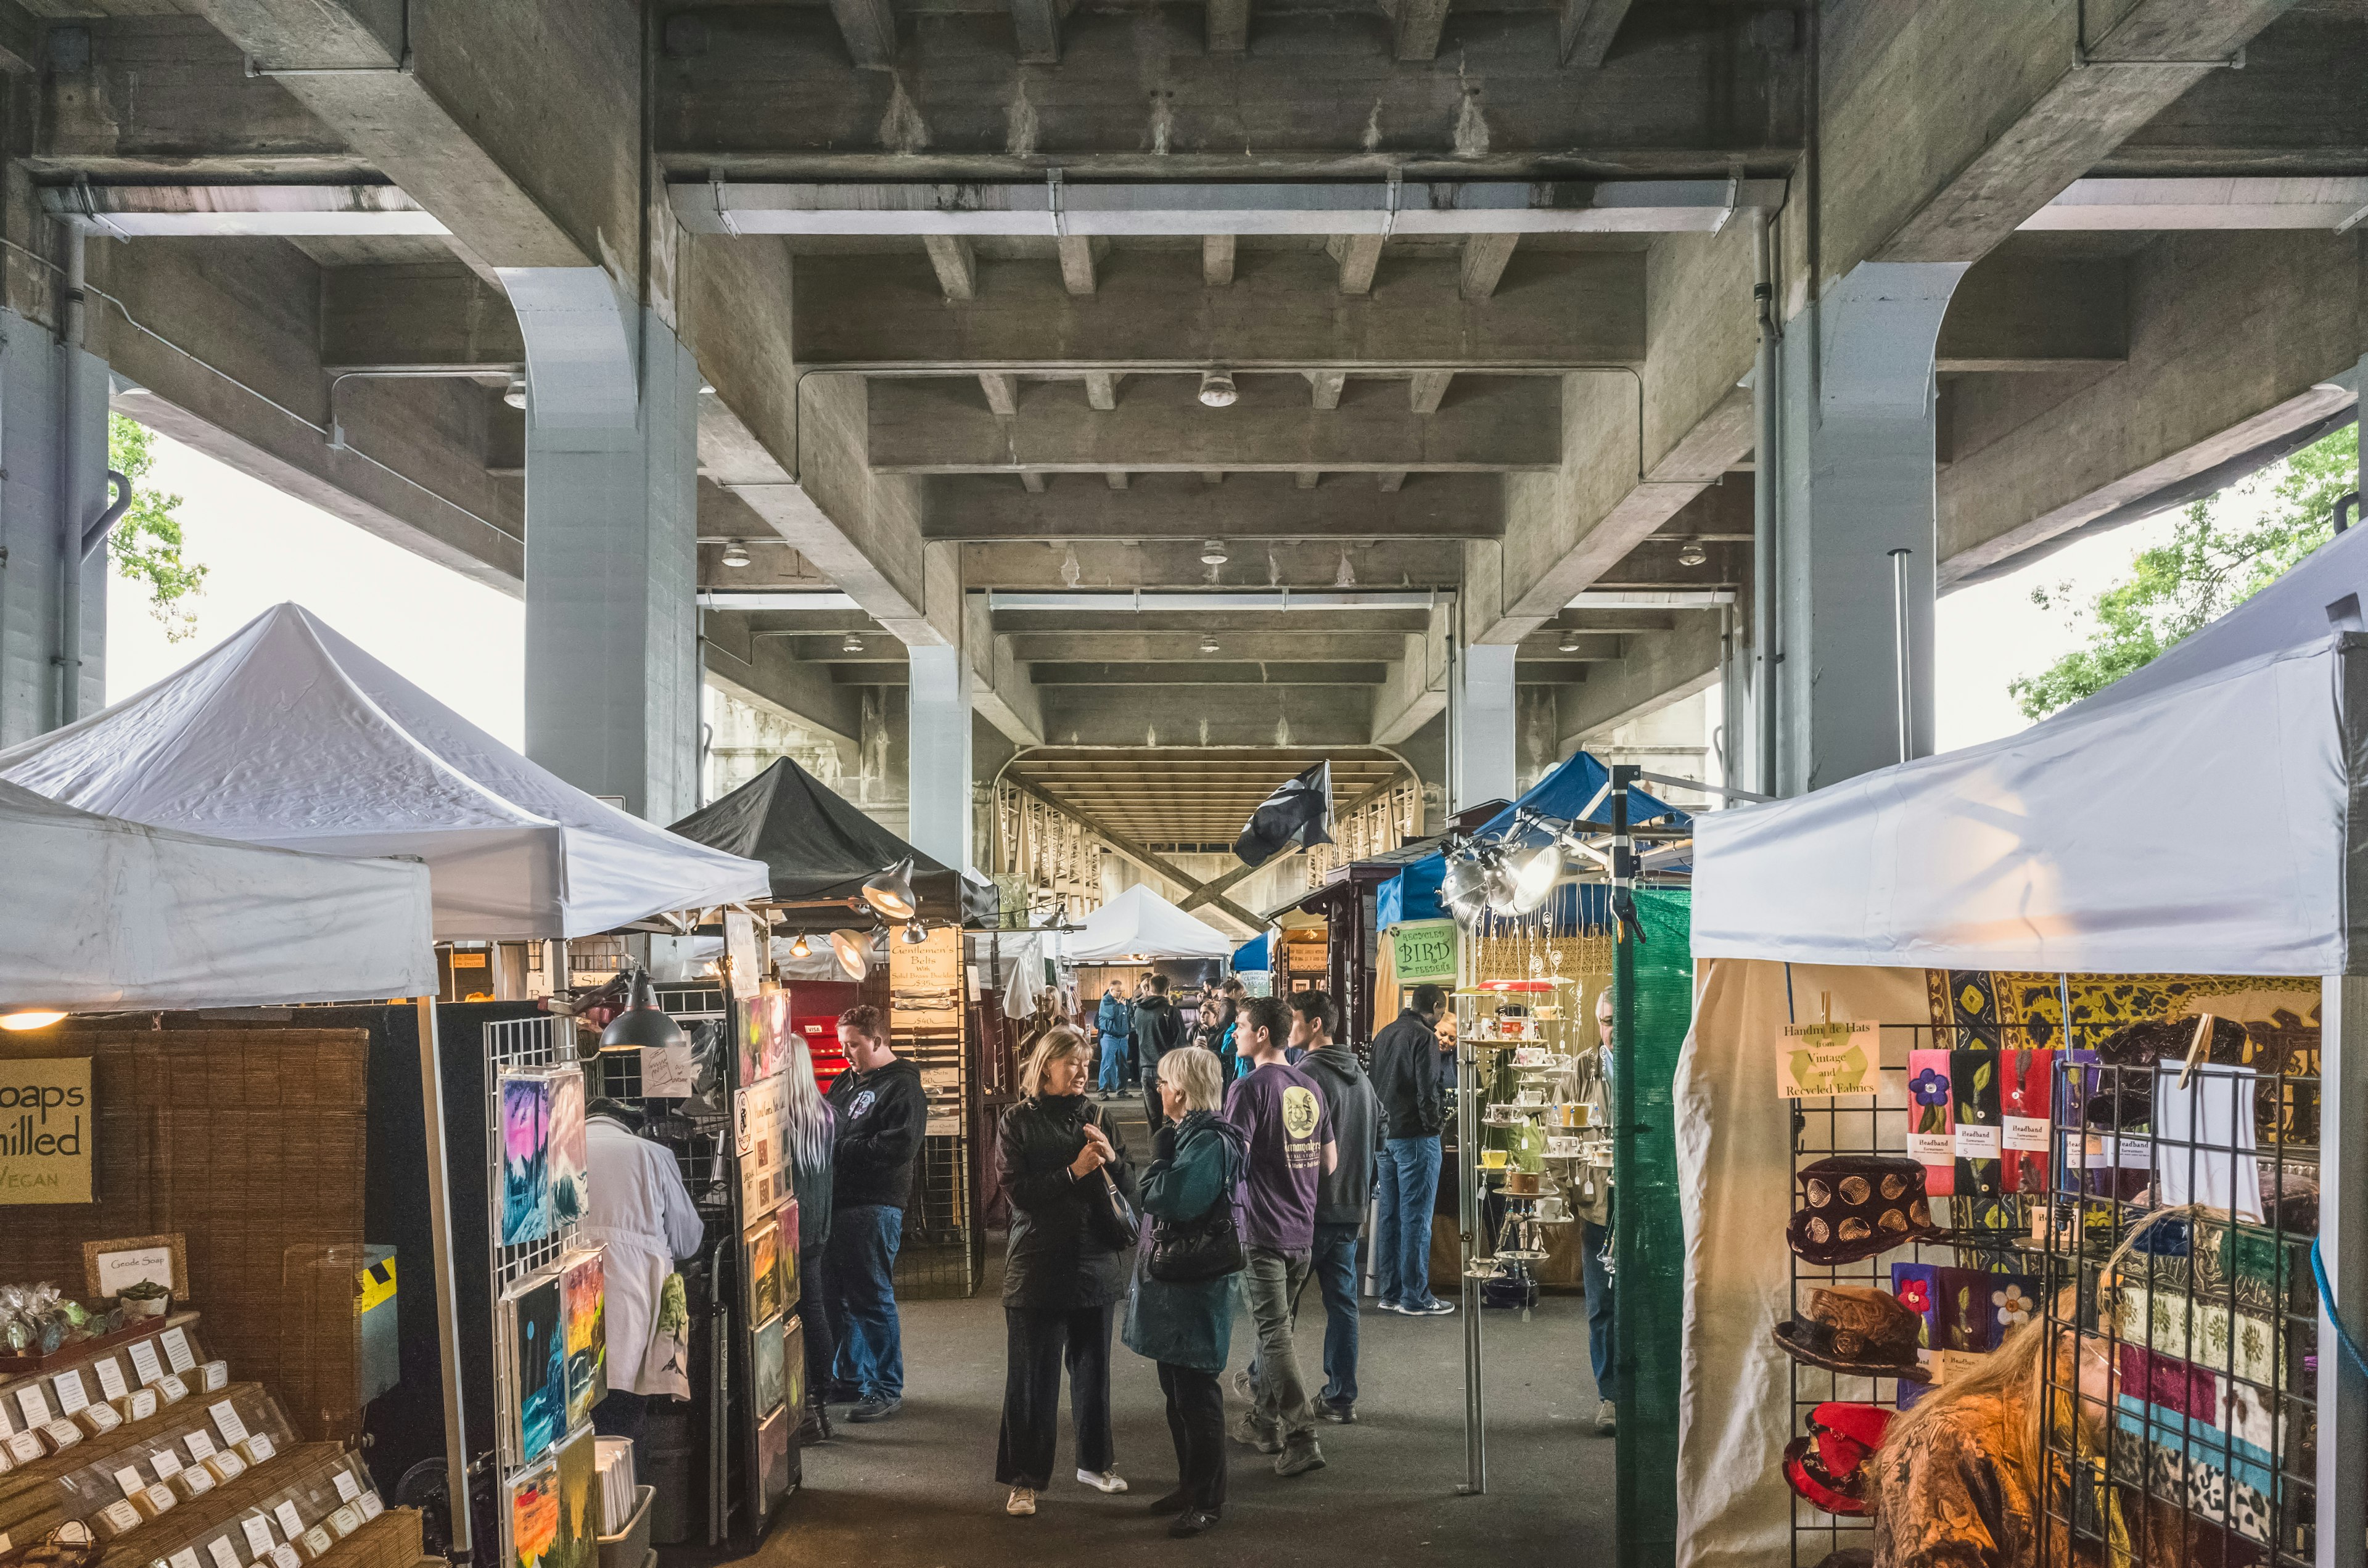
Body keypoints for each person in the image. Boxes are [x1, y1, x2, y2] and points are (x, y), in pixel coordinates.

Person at [994, 1027, 1137, 1518]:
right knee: (1032, 1381)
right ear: (1046, 1065)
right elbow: (1018, 1192)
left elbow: (1131, 1185)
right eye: (1072, 1061)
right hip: (1036, 1265)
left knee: (1093, 1374)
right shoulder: (1016, 1120)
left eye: (1086, 1061)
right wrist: (1075, 1170)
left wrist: (1113, 1159)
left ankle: (1095, 1463)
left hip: (1096, 1264)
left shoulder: (1099, 1115)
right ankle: (1024, 1480)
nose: (1082, 1071)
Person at [1868, 1287, 2114, 1568]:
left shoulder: (2111, 1441)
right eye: (2128, 1375)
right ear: (2073, 1352)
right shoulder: (1955, 1439)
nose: (2143, 1397)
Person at [1124, 1046, 1249, 1538]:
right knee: (1179, 1395)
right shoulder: (1194, 1136)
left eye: (1161, 1082)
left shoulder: (1207, 1141)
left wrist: (1155, 1164)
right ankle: (1190, 1486)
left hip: (1196, 1289)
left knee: (1197, 1398)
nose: (1157, 1090)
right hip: (1183, 1287)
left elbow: (1168, 1198)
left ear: (1180, 1089)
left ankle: (1207, 1499)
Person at [1222, 994, 1336, 1477]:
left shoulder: (1247, 1088)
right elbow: (1330, 1163)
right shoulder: (1309, 1085)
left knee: (1273, 1335)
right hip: (1302, 1230)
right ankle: (1263, 1422)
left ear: (1262, 1033)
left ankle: (1302, 1434)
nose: (1235, 1033)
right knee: (1278, 1334)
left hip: (1262, 1229)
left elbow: (1232, 1160)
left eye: (1241, 1025)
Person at [822, 1004, 925, 1422]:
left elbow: (900, 1146)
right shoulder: (846, 1082)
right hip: (841, 1204)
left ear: (878, 1040)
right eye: (843, 1044)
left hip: (875, 1205)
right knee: (843, 1300)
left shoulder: (904, 1088)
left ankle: (884, 1386)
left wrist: (844, 1148)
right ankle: (850, 1377)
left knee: (871, 1298)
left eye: (854, 1045)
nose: (846, 1053)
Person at [583, 1098, 705, 1445]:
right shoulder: (653, 1155)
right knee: (623, 1423)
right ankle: (626, 1495)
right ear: (628, 1125)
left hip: (566, 1305)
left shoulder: (557, 1154)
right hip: (633, 1304)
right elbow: (687, 1239)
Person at [1288, 991, 1376, 1423]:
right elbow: (1381, 1131)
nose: (1290, 1027)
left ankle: (1267, 1387)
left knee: (1280, 1304)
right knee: (1342, 1303)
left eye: (1295, 1019)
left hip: (1311, 1210)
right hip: (1350, 1206)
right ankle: (1341, 1397)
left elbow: (1294, 1146)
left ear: (1317, 1024)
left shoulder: (1305, 1076)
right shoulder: (1361, 1076)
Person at [1368, 983, 1453, 1316]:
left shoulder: (1385, 1035)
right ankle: (1415, 1297)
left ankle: (1390, 1293)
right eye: (1442, 1011)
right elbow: (1428, 1089)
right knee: (1416, 1218)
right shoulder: (1424, 1037)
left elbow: (1373, 1084)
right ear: (1434, 1006)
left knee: (1389, 1215)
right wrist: (1434, 1127)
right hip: (1416, 1138)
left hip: (1385, 1139)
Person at [783, 1032, 839, 1445]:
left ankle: (803, 1406)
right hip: (817, 1228)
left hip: (787, 1233)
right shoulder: (825, 1116)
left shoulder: (779, 1120)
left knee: (786, 1319)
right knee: (814, 1310)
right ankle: (818, 1401)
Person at [1569, 988, 1618, 1435]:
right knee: (1602, 1304)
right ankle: (1610, 1397)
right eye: (1606, 1021)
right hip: (1598, 1204)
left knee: (1649, 1300)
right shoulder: (1580, 1069)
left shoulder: (1655, 1062)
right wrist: (1572, 1194)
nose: (1612, 1030)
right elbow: (1558, 1132)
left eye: (1619, 1020)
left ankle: (1651, 1393)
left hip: (1648, 1201)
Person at [1131, 975, 1188, 1135]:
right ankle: (1171, 1155)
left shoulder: (1139, 1012)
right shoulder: (1170, 1011)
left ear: (1150, 988)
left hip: (1146, 1069)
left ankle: (1155, 1155)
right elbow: (1181, 1045)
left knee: (1153, 1118)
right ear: (1168, 990)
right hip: (1167, 1072)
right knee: (1173, 1117)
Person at [1095, 982, 1133, 1099]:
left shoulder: (1123, 1001)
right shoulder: (1106, 1001)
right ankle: (1102, 1091)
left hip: (1123, 1037)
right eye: (1118, 991)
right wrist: (1119, 1005)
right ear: (1111, 990)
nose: (1121, 993)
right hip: (1109, 1037)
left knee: (1123, 1065)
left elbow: (1129, 1015)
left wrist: (1127, 1007)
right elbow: (1110, 1014)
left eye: (1122, 991)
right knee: (1107, 1064)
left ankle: (1121, 1090)